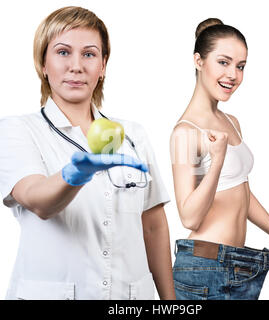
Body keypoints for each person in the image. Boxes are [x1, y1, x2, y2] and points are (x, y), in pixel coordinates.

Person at [0, 6, 175, 300]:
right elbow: (36, 199)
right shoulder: (17, 130)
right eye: (63, 52)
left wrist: (170, 303)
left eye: (90, 54)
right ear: (43, 63)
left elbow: (154, 226)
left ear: (103, 65)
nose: (77, 66)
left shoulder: (133, 135)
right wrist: (75, 174)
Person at [170, 18, 269, 300]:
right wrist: (216, 161)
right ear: (199, 60)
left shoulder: (231, 122)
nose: (233, 75)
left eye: (240, 66)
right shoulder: (185, 133)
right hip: (202, 268)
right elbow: (189, 217)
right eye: (223, 62)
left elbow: (240, 191)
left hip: (237, 266)